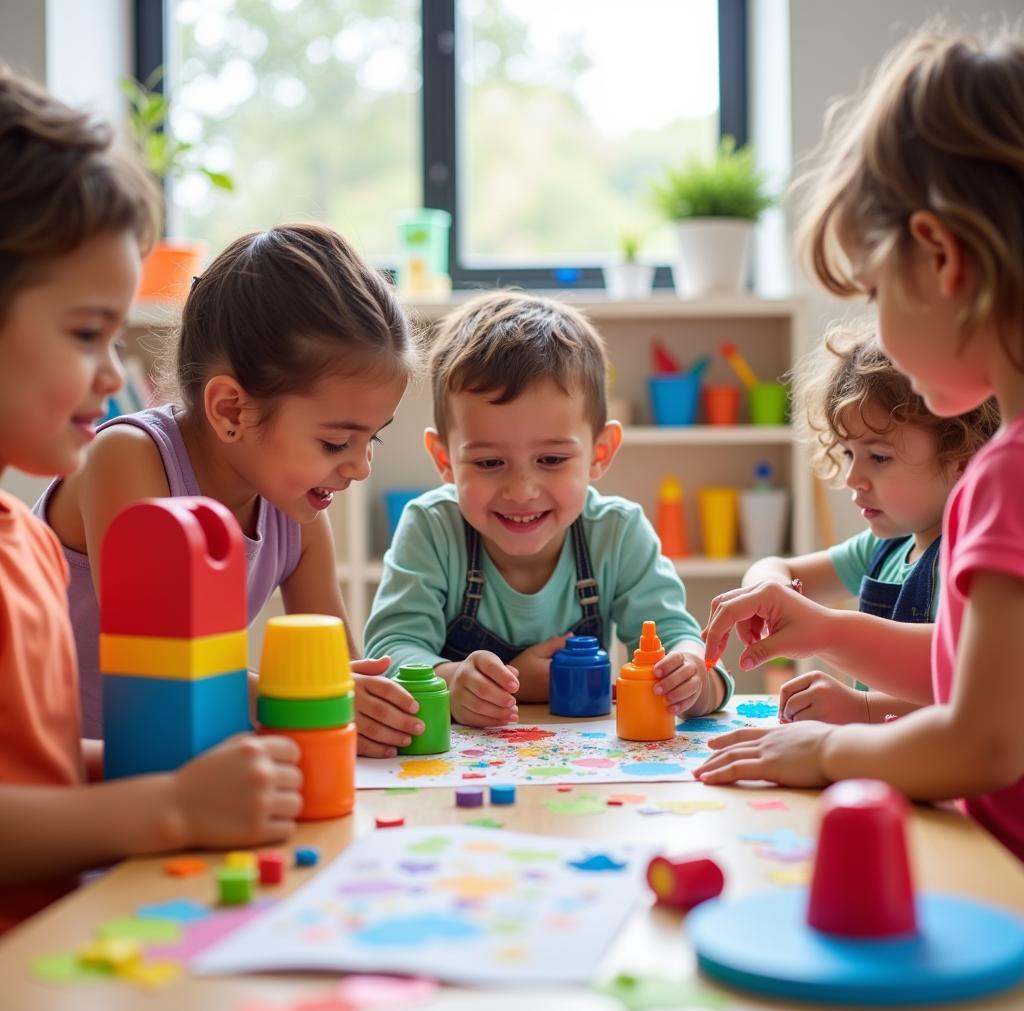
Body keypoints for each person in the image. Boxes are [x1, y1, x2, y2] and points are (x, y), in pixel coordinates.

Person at [695, 28, 1024, 862]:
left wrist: (826, 752)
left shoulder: (1005, 476)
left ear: (943, 258)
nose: (875, 321)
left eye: (876, 291)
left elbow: (983, 744)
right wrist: (827, 632)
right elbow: (977, 681)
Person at [0, 68, 302, 934]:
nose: (111, 374)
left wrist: (192, 779)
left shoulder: (22, 540)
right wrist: (167, 805)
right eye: (87, 332)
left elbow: (41, 776)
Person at [36, 222, 424, 757]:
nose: (359, 468)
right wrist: (307, 696)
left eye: (370, 439)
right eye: (336, 443)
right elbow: (165, 662)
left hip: (166, 768)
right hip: (53, 778)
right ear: (230, 410)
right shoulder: (126, 458)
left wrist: (372, 704)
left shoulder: (295, 512)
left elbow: (334, 668)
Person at [364, 290, 733, 729]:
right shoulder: (432, 528)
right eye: (488, 463)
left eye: (552, 460)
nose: (521, 490)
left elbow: (680, 641)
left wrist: (692, 677)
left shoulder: (618, 532)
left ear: (600, 452)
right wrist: (450, 681)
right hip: (455, 771)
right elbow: (390, 652)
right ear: (444, 459)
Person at [742, 320, 997, 725]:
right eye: (848, 455)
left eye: (878, 457)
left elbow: (968, 682)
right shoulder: (884, 547)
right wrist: (770, 588)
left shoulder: (965, 558)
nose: (851, 479)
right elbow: (783, 569)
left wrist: (860, 709)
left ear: (960, 455)